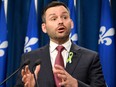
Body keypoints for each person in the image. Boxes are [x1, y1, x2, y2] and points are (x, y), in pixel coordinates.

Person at [15, 1, 106, 87]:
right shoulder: (30, 59)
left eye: (65, 17)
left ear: (71, 23)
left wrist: (76, 84)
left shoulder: (90, 58)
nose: (60, 22)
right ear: (44, 28)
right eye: (53, 18)